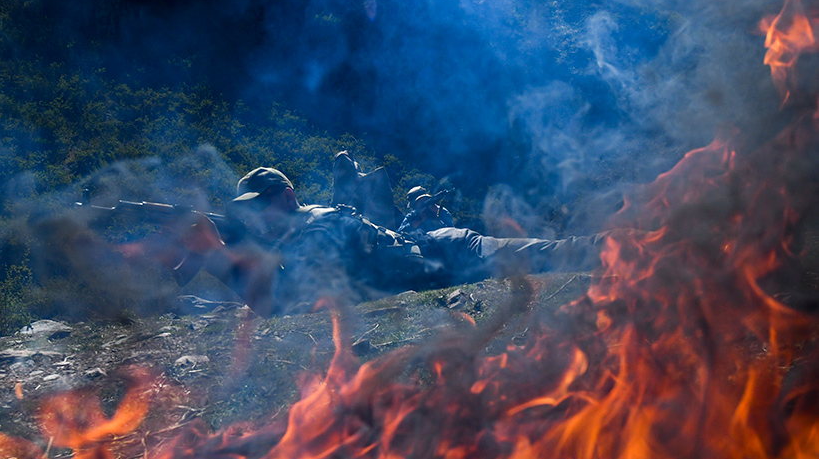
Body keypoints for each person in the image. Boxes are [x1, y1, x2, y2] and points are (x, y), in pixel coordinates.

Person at [177, 167, 615, 317]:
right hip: (435, 255)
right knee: (548, 255)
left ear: (287, 197)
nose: (255, 219)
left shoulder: (313, 229)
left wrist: (220, 259)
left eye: (261, 207)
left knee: (551, 255)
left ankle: (643, 242)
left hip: (448, 250)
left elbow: (290, 305)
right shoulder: (298, 236)